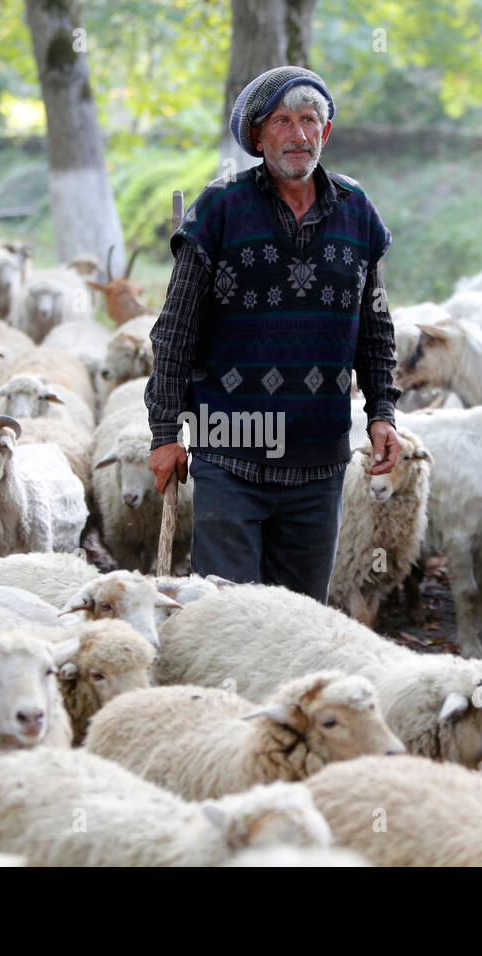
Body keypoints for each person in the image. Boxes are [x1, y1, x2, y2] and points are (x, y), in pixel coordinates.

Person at [145, 65, 401, 603]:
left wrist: (382, 413)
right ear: (259, 137)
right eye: (281, 121)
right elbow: (174, 332)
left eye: (309, 120)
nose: (298, 134)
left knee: (299, 621)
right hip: (230, 450)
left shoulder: (357, 213)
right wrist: (165, 433)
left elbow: (375, 328)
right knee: (228, 615)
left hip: (319, 459)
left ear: (325, 134)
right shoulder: (219, 209)